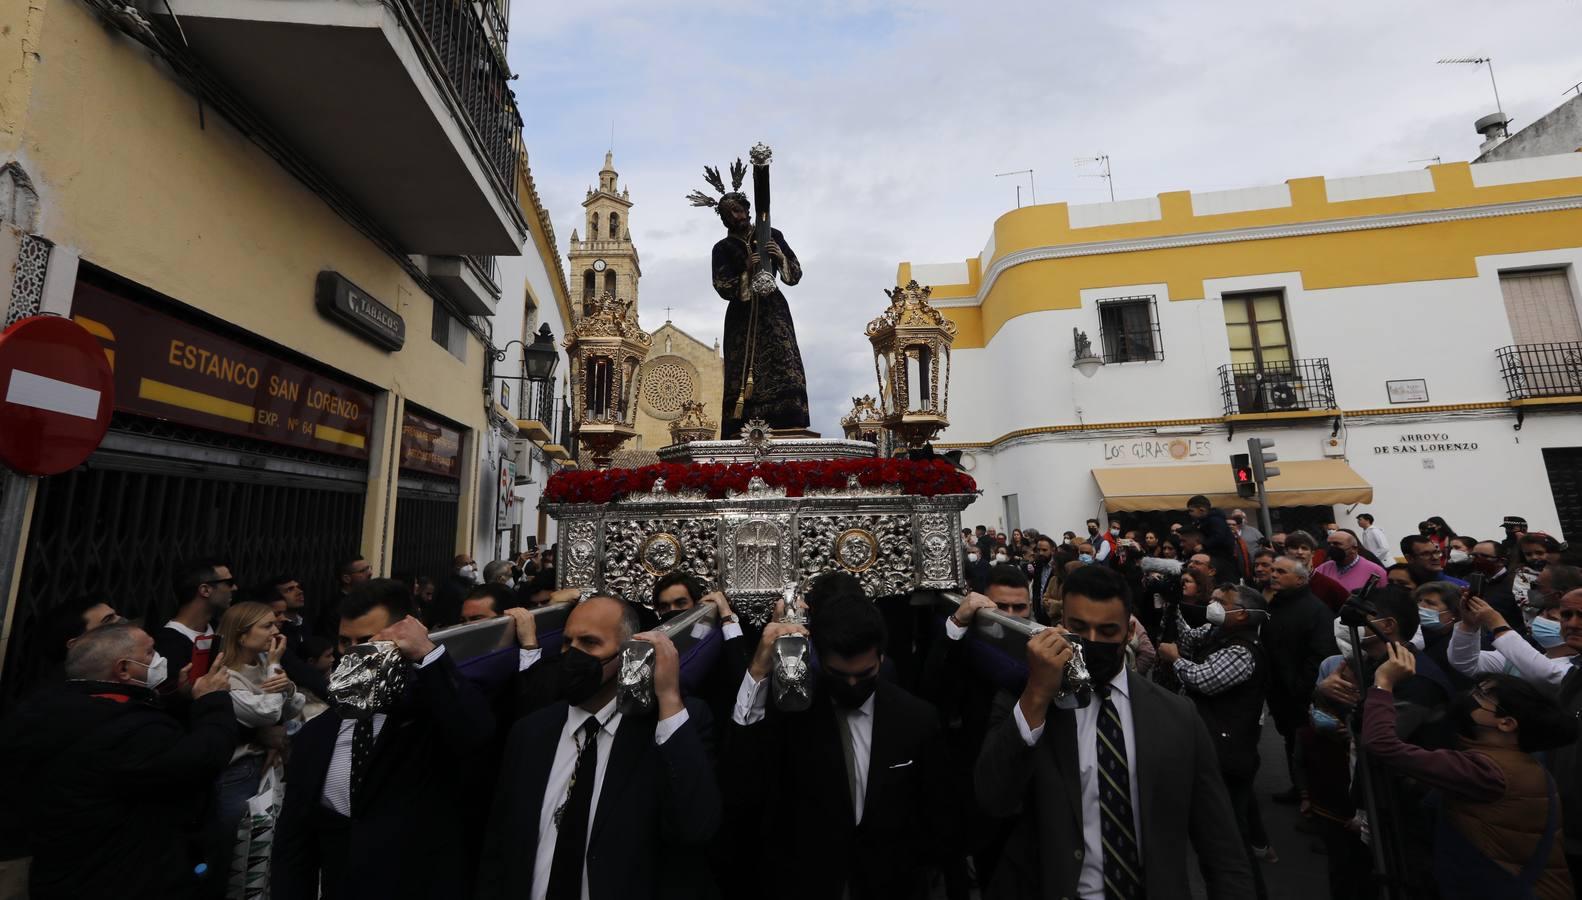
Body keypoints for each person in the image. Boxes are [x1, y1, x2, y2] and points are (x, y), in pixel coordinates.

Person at [975, 564, 1254, 898]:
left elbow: (1220, 843)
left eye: (1107, 631)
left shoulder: (1177, 715)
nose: (1092, 641)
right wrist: (1036, 695)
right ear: (1060, 624)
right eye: (1079, 628)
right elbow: (993, 797)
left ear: (1127, 631)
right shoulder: (1026, 698)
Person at [477, 594, 720, 900]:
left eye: (590, 643)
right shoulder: (531, 732)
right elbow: (499, 846)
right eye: (567, 643)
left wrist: (669, 698)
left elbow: (696, 825)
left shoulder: (666, 729)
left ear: (631, 652)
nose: (572, 655)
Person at [273, 579, 498, 900]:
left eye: (367, 641)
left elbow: (475, 732)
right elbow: (295, 844)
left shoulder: (432, 719)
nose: (353, 654)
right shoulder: (317, 734)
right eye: (344, 642)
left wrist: (428, 655)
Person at [730, 593, 949, 899]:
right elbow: (746, 777)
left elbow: (933, 813)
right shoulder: (795, 713)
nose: (851, 685)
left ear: (882, 658)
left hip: (890, 882)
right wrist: (757, 669)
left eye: (864, 674)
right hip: (807, 880)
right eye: (839, 675)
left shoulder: (916, 718)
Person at [0, 623, 236, 899]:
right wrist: (213, 700)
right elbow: (203, 757)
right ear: (123, 669)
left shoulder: (45, 709)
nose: (159, 659)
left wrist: (176, 697)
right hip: (123, 876)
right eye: (149, 653)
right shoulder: (125, 728)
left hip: (62, 870)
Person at [1364, 647, 1576, 899]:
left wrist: (1383, 683)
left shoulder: (1486, 770)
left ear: (1506, 722)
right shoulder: (1522, 763)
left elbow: (1382, 744)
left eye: (1482, 695)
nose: (1470, 696)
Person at [1157, 583, 1271, 897]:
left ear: (1242, 614)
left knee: (1229, 836)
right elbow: (1188, 637)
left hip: (1229, 748)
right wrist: (1172, 606)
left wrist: (1175, 659)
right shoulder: (1218, 633)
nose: (1214, 604)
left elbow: (1204, 680)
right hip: (1214, 741)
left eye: (1223, 601)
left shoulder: (1242, 648)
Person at [701, 171, 810, 435]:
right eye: (729, 214)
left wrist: (780, 256)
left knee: (783, 359)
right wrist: (745, 271)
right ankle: (742, 421)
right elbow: (721, 286)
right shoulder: (722, 248)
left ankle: (787, 419)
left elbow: (794, 275)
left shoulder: (772, 234)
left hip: (773, 310)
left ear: (748, 210)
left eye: (738, 211)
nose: (735, 217)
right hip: (742, 314)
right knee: (741, 367)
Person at [211, 601, 305, 892]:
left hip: (267, 766)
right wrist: (277, 668)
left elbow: (293, 708)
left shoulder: (262, 665)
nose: (276, 631)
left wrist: (286, 687)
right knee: (234, 852)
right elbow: (266, 713)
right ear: (241, 635)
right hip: (237, 773)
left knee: (262, 851)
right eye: (267, 626)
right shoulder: (226, 676)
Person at [1264, 557, 1339, 804]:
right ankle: (1299, 789)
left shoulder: (1314, 610)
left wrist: (1300, 689)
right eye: (1273, 570)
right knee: (1291, 741)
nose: (1273, 574)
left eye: (1281, 572)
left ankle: (1316, 800)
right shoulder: (1277, 603)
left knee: (1306, 747)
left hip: (1300, 694)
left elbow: (1319, 654)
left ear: (1299, 579)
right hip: (1281, 691)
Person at [155, 558, 236, 683]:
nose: (235, 588)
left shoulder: (220, 629)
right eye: (229, 583)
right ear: (205, 590)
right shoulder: (169, 643)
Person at [35, 594, 123, 685]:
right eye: (108, 620)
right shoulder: (63, 694)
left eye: (116, 616)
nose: (124, 623)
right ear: (76, 644)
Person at [1186, 495, 1240, 578]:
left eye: (1191, 511)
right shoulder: (1204, 521)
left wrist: (1204, 545)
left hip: (1222, 557)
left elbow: (1219, 536)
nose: (1189, 514)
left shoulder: (1215, 520)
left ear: (1201, 510)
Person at [1315, 530, 1387, 593]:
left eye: (1337, 544)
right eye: (1329, 544)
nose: (1331, 547)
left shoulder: (1376, 572)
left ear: (1354, 549)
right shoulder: (1323, 568)